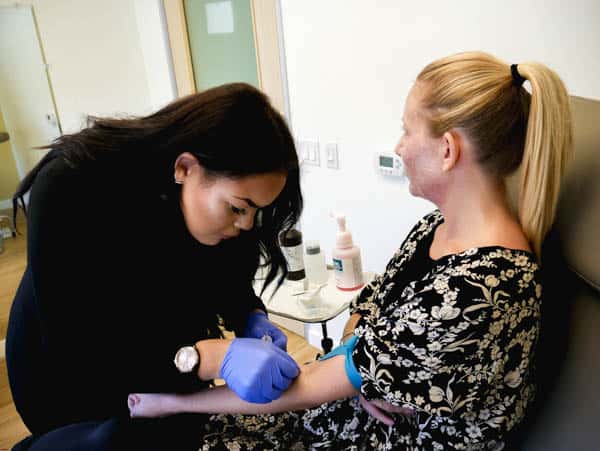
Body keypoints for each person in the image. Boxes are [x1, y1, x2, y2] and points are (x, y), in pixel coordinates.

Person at [127, 51, 573, 450]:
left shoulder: (483, 288)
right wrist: (361, 364)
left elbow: (313, 383)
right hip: (346, 416)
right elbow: (368, 303)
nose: (398, 146)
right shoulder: (437, 228)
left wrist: (173, 400)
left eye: (406, 130)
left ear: (448, 149)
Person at [5, 83, 304, 451]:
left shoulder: (220, 210)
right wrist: (206, 358)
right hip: (65, 377)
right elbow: (81, 353)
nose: (245, 225)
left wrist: (250, 315)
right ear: (185, 168)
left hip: (164, 353)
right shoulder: (71, 185)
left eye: (257, 212)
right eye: (239, 208)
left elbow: (227, 276)